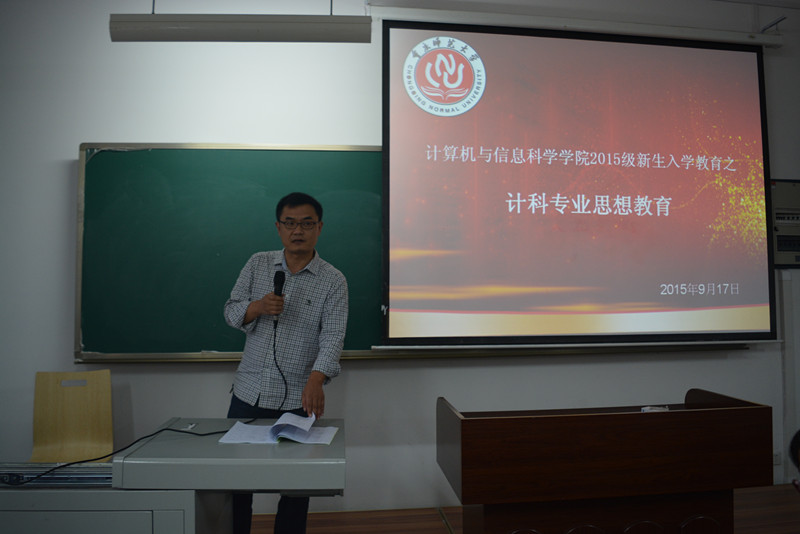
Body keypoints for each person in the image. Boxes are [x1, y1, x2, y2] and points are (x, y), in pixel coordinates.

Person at [223, 192, 349, 534]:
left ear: (319, 228)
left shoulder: (333, 280)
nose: (298, 231)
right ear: (278, 227)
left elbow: (333, 336)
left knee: (295, 487)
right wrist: (257, 307)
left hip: (298, 397)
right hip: (249, 392)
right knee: (236, 483)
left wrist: (316, 379)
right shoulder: (258, 264)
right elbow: (231, 311)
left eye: (307, 224)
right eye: (290, 223)